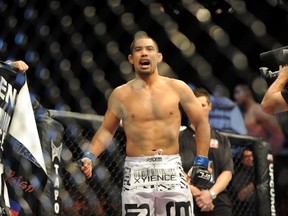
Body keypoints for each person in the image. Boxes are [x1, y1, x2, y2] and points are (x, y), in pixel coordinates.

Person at [80, 34, 211, 215]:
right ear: (131, 59)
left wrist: (202, 161)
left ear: (158, 57)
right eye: (138, 50)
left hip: (171, 167)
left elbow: (201, 123)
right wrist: (90, 156)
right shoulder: (120, 94)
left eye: (149, 49)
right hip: (137, 169)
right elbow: (106, 130)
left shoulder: (177, 87)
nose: (144, 53)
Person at [179, 87, 234, 216]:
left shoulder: (221, 139)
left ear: (210, 106)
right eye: (195, 105)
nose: (199, 109)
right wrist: (193, 191)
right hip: (186, 195)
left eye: (202, 105)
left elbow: (227, 171)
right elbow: (174, 168)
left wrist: (210, 194)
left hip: (216, 197)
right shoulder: (179, 137)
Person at [233, 83, 285, 154]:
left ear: (247, 92)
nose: (235, 96)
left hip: (260, 155)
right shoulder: (242, 112)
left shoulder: (258, 110)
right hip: (248, 155)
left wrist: (267, 154)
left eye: (238, 92)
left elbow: (278, 135)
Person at [230, 147, 255, 216]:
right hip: (242, 210)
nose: (251, 159)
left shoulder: (256, 170)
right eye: (247, 157)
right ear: (243, 160)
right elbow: (241, 196)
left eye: (252, 156)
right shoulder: (240, 173)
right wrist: (254, 183)